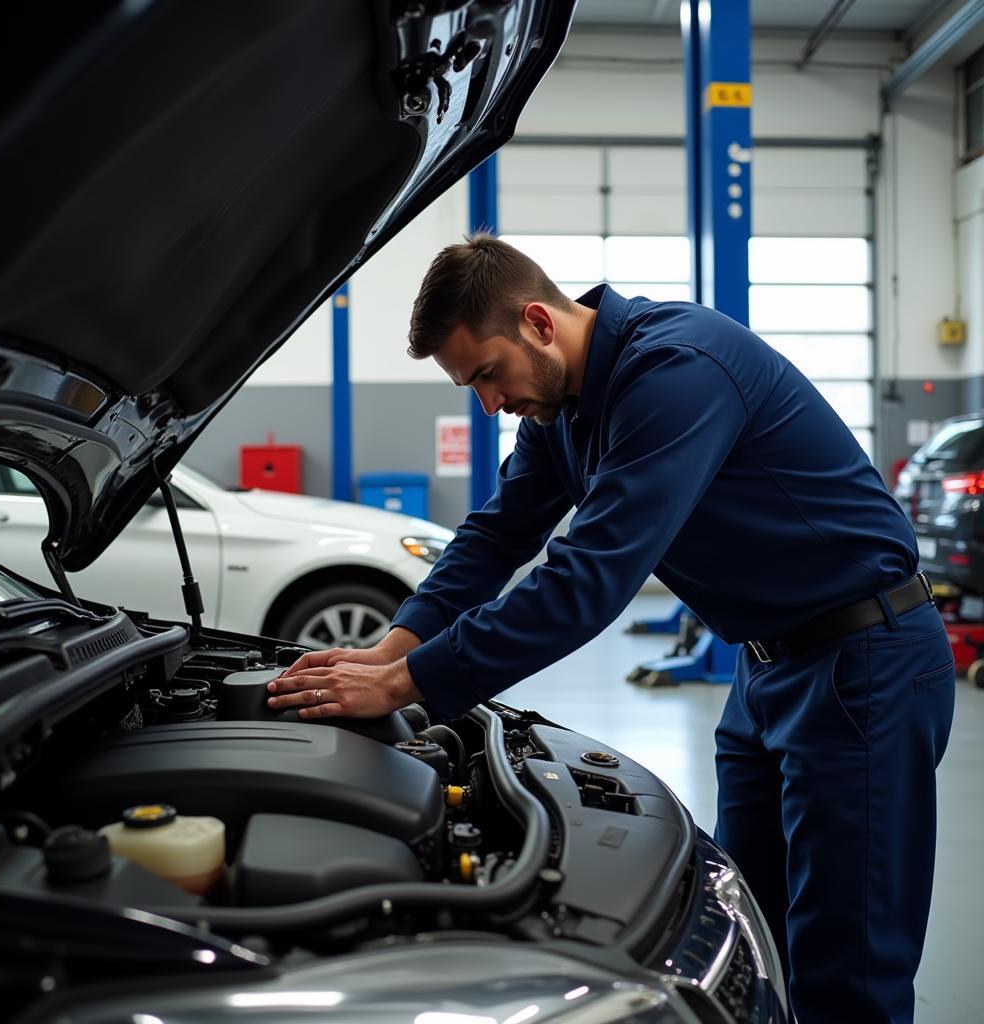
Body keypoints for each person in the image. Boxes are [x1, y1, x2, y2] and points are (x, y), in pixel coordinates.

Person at [268, 234, 955, 1024]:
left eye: (487, 374)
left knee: (848, 971)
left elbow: (588, 584)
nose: (488, 403)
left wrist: (404, 686)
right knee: (757, 947)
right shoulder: (560, 411)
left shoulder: (677, 372)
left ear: (537, 322)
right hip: (765, 671)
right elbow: (496, 535)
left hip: (863, 663)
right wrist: (389, 650)